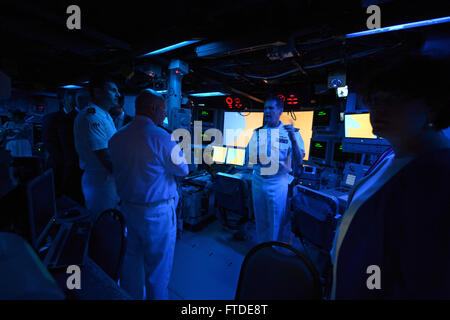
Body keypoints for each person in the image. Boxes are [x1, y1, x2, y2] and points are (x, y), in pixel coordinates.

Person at [332, 55, 450, 299]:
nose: (378, 110)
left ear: (432, 105)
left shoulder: (438, 176)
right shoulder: (390, 155)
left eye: (393, 99)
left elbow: (424, 281)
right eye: (375, 100)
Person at [109, 89, 188, 300]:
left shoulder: (116, 138)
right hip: (157, 214)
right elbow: (183, 170)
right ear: (153, 109)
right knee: (157, 273)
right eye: (163, 110)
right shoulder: (162, 137)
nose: (164, 115)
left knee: (130, 267)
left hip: (127, 210)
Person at [246, 95, 305, 244]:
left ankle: (273, 250)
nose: (267, 111)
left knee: (276, 220)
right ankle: (262, 248)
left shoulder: (291, 133)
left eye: (271, 108)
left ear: (280, 110)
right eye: (265, 108)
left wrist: (292, 138)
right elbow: (249, 158)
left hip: (277, 182)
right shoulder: (258, 132)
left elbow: (299, 159)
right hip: (259, 180)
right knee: (260, 219)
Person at [73, 74, 121, 217]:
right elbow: (104, 155)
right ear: (98, 92)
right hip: (100, 181)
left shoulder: (104, 115)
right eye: (113, 90)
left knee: (111, 221)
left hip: (108, 179)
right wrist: (127, 176)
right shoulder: (92, 116)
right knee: (102, 223)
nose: (118, 94)